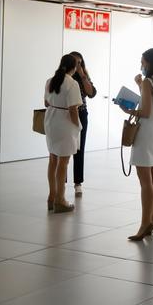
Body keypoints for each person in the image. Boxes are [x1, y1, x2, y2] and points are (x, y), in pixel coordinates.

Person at [122, 48, 153, 241]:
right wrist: (139, 85)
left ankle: (145, 224)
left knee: (145, 181)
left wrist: (128, 110)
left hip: (145, 133)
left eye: (142, 62)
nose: (141, 65)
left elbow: (146, 111)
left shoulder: (148, 82)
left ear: (149, 63)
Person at [44, 54, 83, 213]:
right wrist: (78, 125)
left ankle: (52, 196)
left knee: (53, 159)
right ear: (73, 67)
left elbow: (46, 102)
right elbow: (73, 109)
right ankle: (60, 199)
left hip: (51, 120)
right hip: (65, 122)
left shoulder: (50, 81)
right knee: (63, 162)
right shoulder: (72, 83)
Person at [69, 51, 97, 196]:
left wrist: (82, 75)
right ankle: (61, 180)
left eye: (80, 62)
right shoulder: (64, 77)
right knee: (65, 149)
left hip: (81, 113)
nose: (77, 65)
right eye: (74, 62)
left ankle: (78, 182)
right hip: (66, 114)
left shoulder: (83, 77)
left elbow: (91, 93)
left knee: (80, 148)